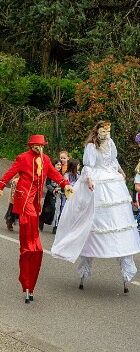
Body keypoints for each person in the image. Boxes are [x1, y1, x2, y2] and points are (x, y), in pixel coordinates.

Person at [51, 121, 140, 293]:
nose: (106, 133)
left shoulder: (111, 143)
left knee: (117, 219)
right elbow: (88, 166)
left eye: (108, 131)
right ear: (97, 131)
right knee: (93, 220)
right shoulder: (91, 146)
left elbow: (113, 160)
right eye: (103, 130)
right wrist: (89, 180)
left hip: (112, 182)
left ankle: (125, 269)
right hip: (97, 181)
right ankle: (85, 267)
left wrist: (120, 170)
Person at [0, 134, 73, 303]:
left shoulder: (45, 159)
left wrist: (65, 184)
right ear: (31, 146)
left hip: (35, 203)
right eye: (37, 145)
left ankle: (30, 284)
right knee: (28, 246)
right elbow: (10, 173)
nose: (40, 148)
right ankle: (26, 279)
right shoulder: (23, 158)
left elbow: (54, 174)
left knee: (36, 249)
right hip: (24, 202)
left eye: (42, 145)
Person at [38, 159, 63, 233]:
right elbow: (47, 184)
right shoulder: (50, 174)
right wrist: (53, 190)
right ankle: (41, 220)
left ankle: (55, 227)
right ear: (53, 165)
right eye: (57, 165)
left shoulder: (61, 174)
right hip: (50, 195)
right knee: (49, 210)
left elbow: (62, 183)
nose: (59, 166)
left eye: (60, 165)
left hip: (58, 195)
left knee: (57, 211)